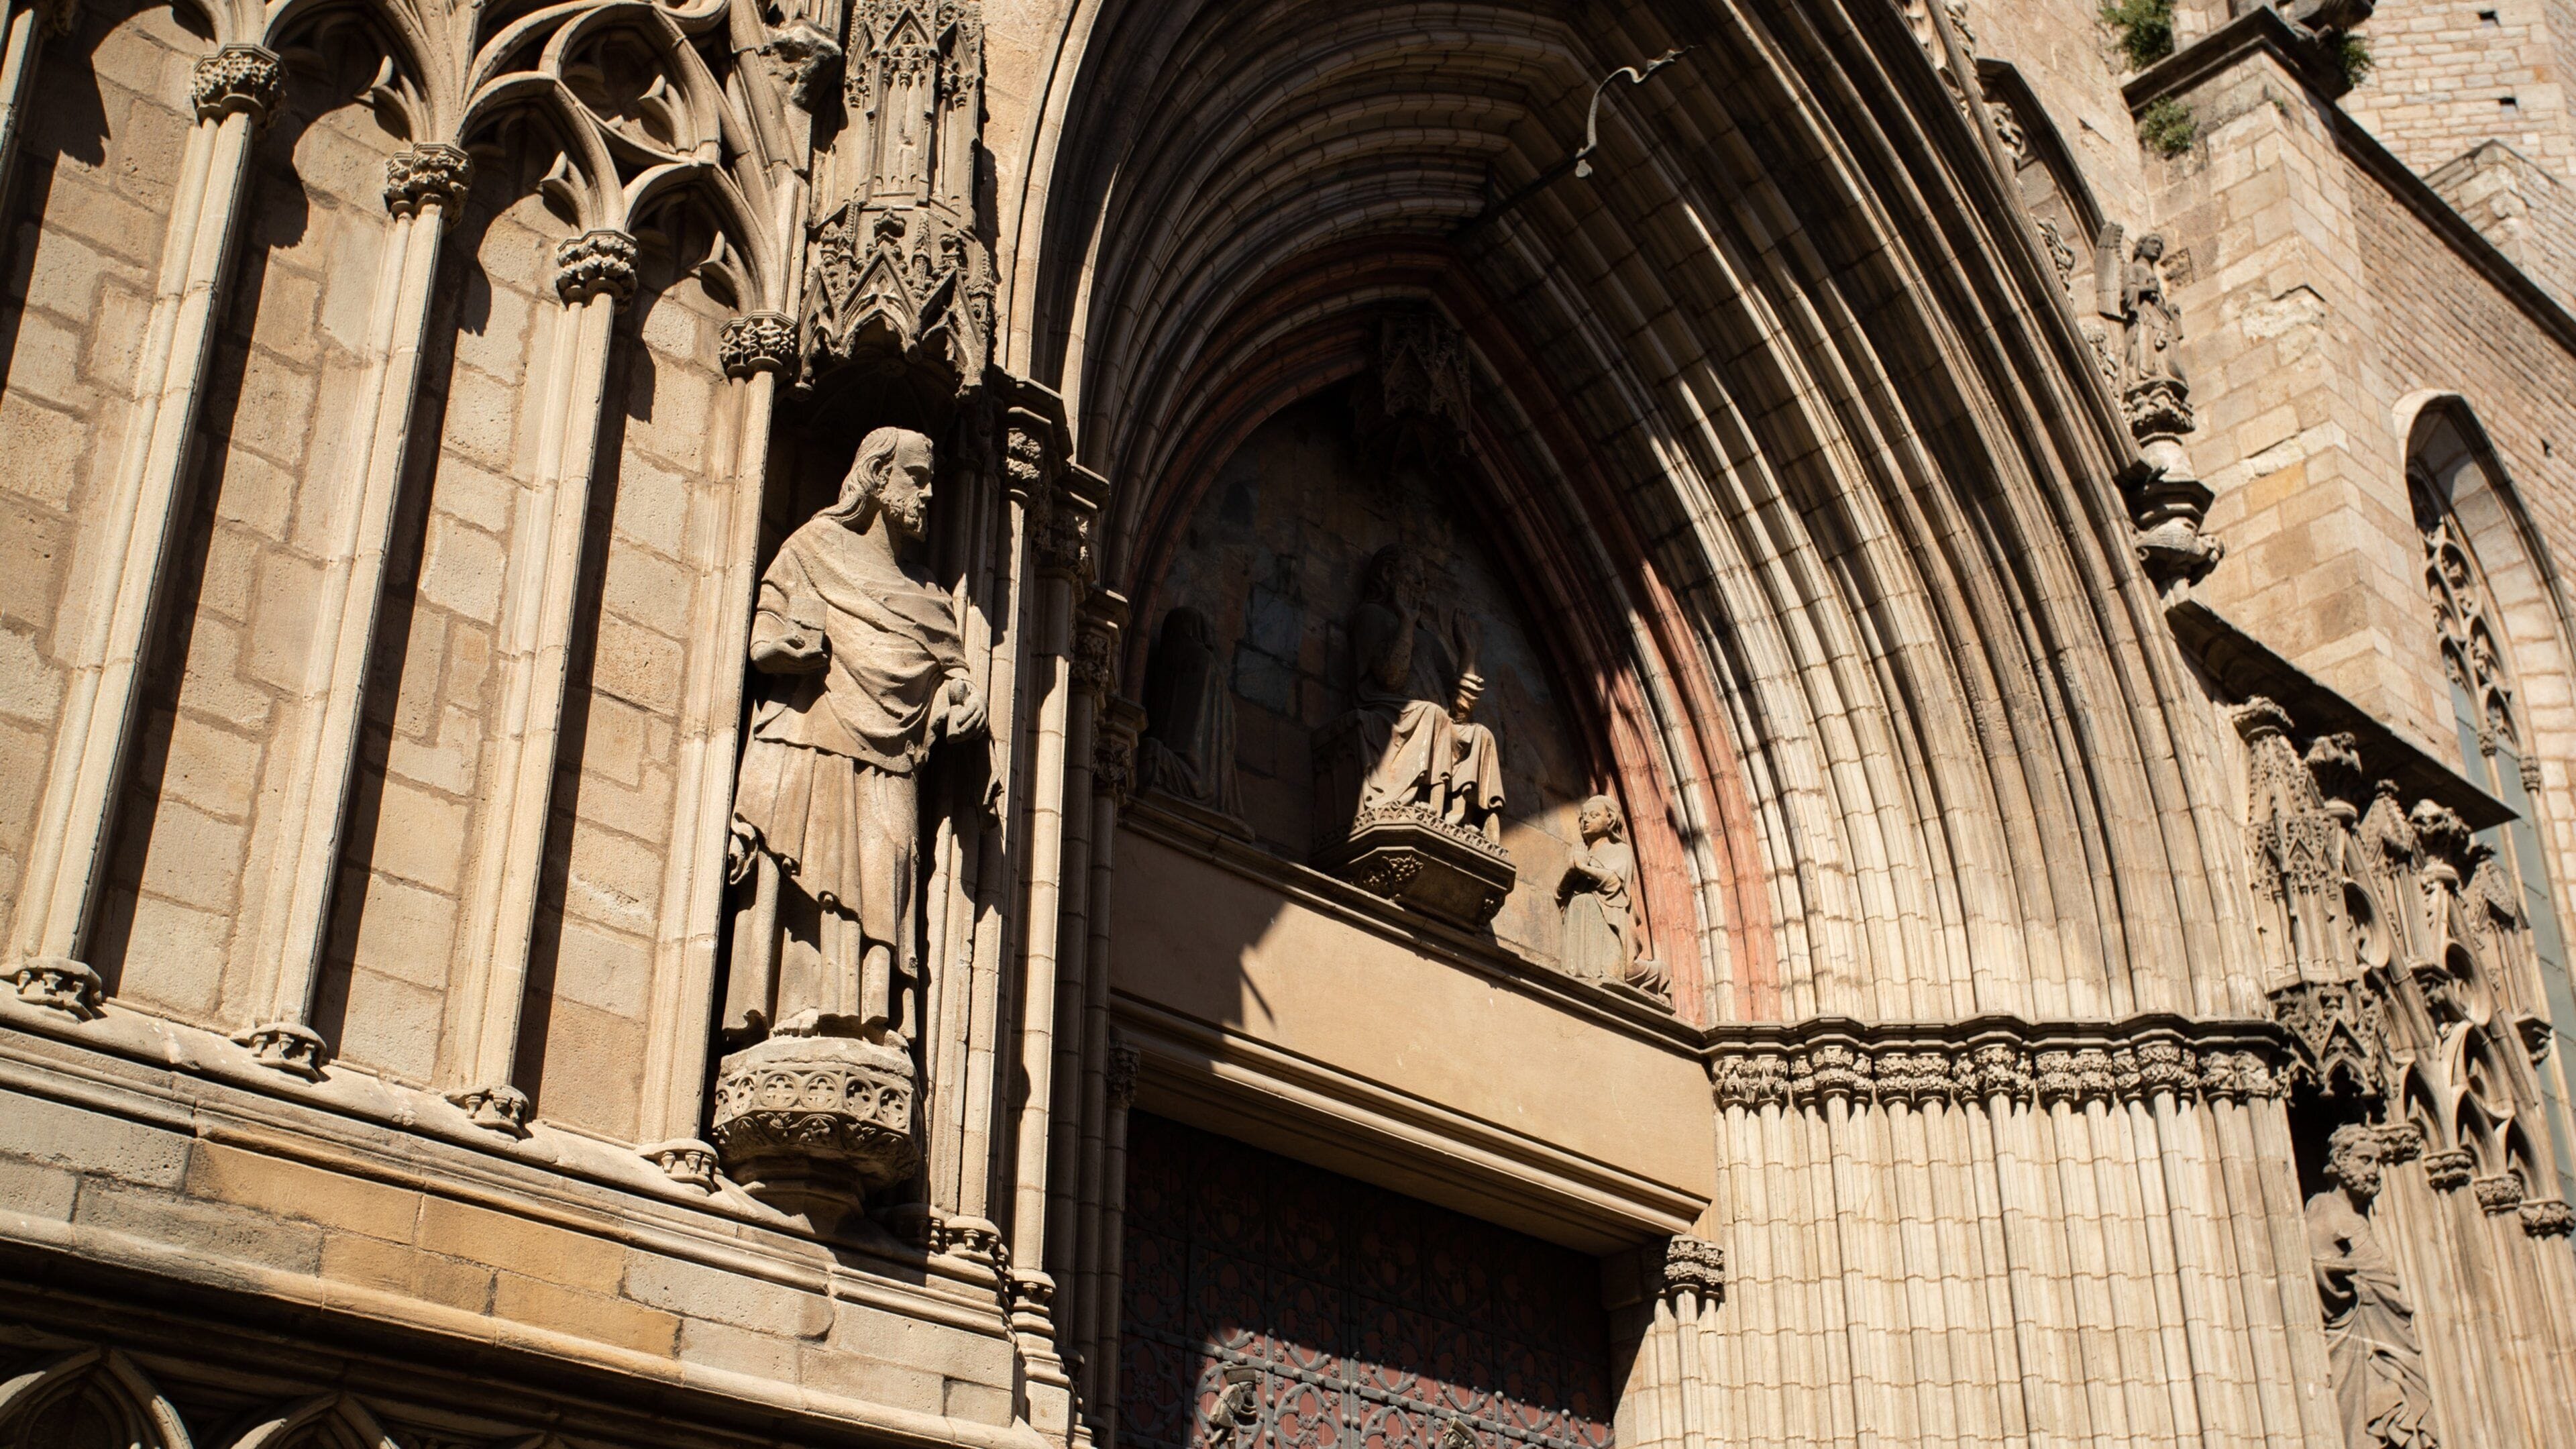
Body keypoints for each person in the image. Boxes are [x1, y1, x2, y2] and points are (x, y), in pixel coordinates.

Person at [724, 426, 987, 1048]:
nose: (928, 495)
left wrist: (963, 702)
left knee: (886, 863)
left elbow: (950, 676)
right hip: (808, 736)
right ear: (876, 476)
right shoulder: (811, 548)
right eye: (917, 478)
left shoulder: (929, 596)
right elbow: (763, 640)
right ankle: (790, 1014)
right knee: (805, 863)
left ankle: (873, 1018)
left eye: (932, 482)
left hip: (890, 762)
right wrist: (792, 650)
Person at [1345, 543, 1504, 837]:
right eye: (1413, 575)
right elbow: (1391, 678)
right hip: (1389, 713)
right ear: (1389, 573)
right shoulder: (1371, 616)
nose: (1421, 585)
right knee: (1431, 714)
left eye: (1424, 579)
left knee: (1480, 735)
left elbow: (1458, 711)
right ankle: (1425, 801)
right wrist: (1406, 622)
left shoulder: (1429, 641)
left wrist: (1468, 652)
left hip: (1430, 723)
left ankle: (1468, 819)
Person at [2307, 1123, 2440, 1448]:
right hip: (2356, 1340)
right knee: (2367, 1421)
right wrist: (2349, 1275)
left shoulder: (2362, 1219)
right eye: (2364, 1160)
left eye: (2377, 1162)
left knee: (2402, 1413)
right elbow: (2316, 1265)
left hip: (2389, 1337)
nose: (2374, 1171)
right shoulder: (2324, 1206)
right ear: (2340, 1160)